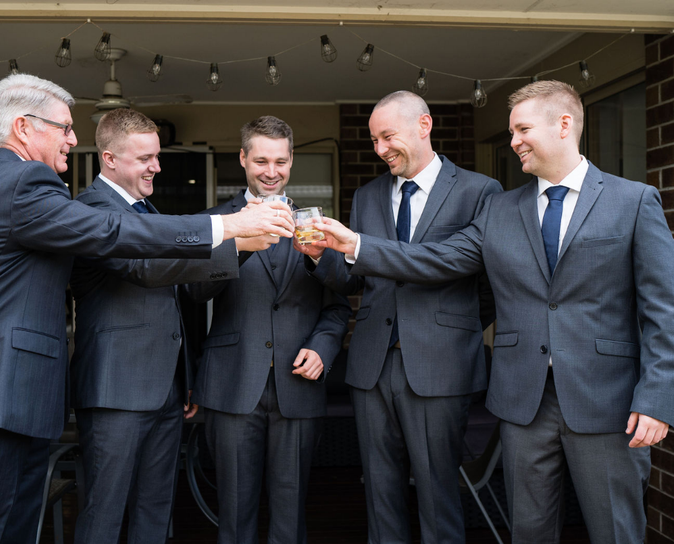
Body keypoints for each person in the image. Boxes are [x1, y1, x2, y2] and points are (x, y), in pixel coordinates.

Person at [0, 73, 293, 544]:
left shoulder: (7, 184)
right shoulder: (25, 181)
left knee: (14, 527)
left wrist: (235, 241)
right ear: (23, 127)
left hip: (9, 394)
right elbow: (118, 237)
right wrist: (226, 226)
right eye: (64, 127)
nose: (72, 139)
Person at [313, 80, 674, 544]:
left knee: (616, 532)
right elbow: (438, 259)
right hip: (522, 400)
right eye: (511, 131)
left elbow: (663, 309)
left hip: (607, 399)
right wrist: (354, 244)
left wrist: (656, 397)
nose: (513, 141)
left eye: (522, 129)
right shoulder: (502, 208)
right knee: (529, 530)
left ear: (564, 125)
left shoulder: (633, 200)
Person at [297, 90, 501, 543]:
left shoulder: (478, 191)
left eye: (387, 136)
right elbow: (353, 281)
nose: (380, 149)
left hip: (440, 364)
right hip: (371, 366)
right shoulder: (367, 195)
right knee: (380, 494)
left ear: (424, 126)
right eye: (373, 140)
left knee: (438, 494)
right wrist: (319, 258)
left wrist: (456, 324)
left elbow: (472, 274)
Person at [69, 108, 274, 543]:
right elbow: (144, 267)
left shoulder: (146, 209)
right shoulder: (90, 209)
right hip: (115, 391)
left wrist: (242, 247)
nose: (156, 166)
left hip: (164, 391)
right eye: (145, 158)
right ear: (108, 158)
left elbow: (177, 288)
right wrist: (232, 232)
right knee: (104, 513)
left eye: (157, 156)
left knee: (156, 511)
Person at [185, 115, 351, 544]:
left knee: (291, 512)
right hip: (232, 383)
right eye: (261, 161)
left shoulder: (318, 224)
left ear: (292, 161)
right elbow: (193, 292)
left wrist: (323, 348)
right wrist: (238, 243)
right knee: (235, 514)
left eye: (280, 161)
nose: (271, 172)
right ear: (242, 158)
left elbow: (338, 303)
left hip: (298, 385)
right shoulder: (214, 220)